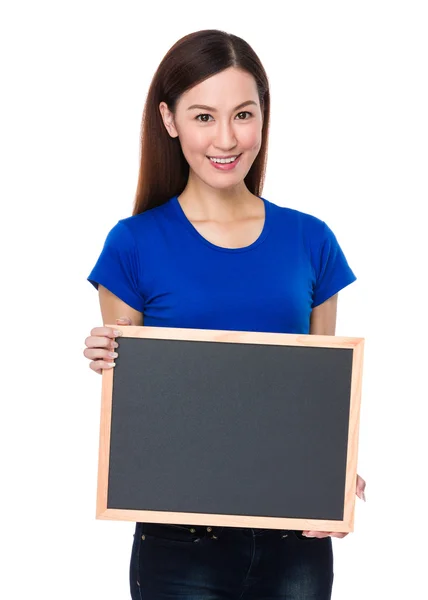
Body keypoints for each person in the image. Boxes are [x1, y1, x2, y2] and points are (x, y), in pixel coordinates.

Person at [84, 29, 366, 600]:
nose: (227, 138)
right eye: (203, 117)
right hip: (177, 544)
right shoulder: (132, 246)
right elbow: (141, 407)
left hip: (294, 541)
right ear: (169, 120)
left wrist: (333, 475)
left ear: (263, 116)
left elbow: (319, 394)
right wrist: (108, 357)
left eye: (243, 114)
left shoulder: (311, 241)